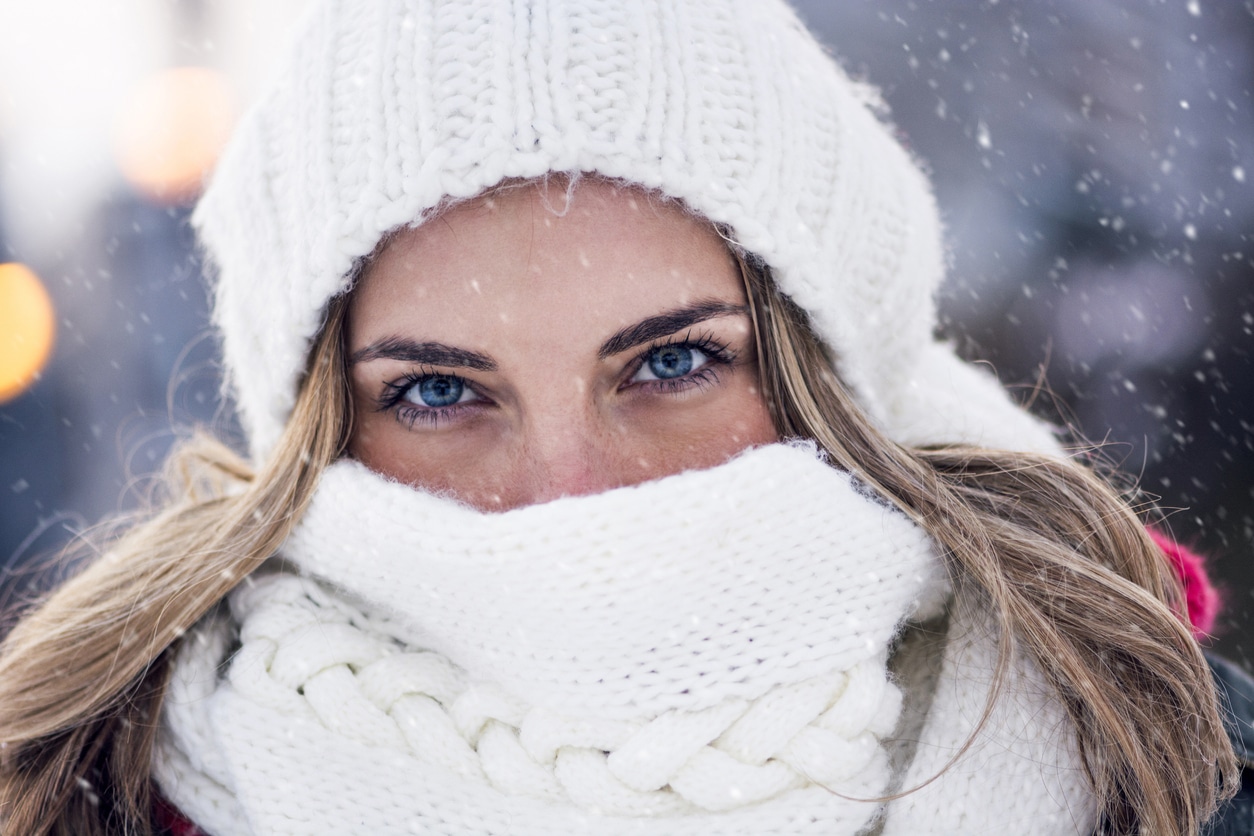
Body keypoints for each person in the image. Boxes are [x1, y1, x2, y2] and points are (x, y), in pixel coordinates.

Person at [0, 1, 1247, 834]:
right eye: (438, 391)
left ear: (835, 374)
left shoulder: (1174, 767)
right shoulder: (90, 797)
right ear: (319, 435)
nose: (574, 496)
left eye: (670, 365)